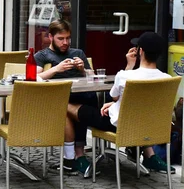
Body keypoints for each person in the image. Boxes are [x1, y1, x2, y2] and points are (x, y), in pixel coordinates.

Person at [64, 32, 174, 175]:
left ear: (140, 51)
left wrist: (129, 65)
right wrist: (114, 104)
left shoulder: (125, 75)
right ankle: (149, 156)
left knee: (65, 105)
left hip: (118, 125)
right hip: (147, 125)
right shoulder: (167, 79)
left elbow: (114, 97)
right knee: (96, 107)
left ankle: (73, 157)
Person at [34, 19, 95, 175]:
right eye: (61, 39)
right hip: (55, 101)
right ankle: (78, 155)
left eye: (68, 38)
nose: (65, 42)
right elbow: (34, 77)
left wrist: (83, 69)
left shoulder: (78, 53)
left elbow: (93, 78)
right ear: (51, 37)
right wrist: (56, 69)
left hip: (81, 96)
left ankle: (73, 158)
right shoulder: (42, 55)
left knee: (88, 98)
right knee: (67, 107)